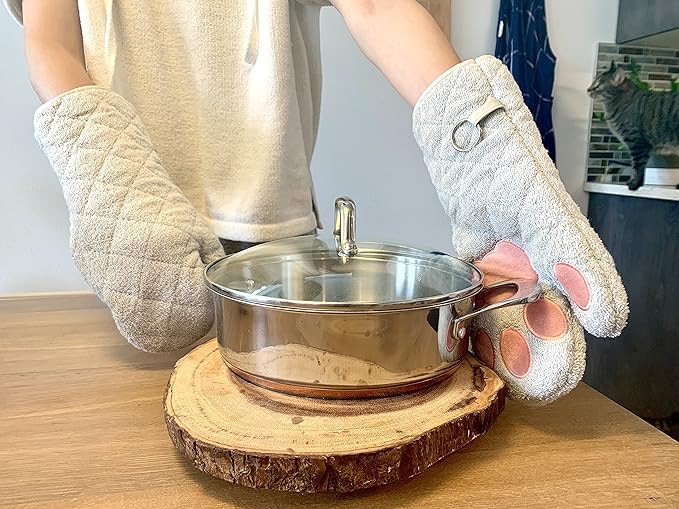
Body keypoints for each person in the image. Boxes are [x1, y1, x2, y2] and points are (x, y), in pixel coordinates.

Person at [7, 0, 628, 404]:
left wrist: (483, 148)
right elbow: (51, 45)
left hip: (281, 252)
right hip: (143, 248)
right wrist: (116, 192)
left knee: (304, 424)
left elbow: (377, 5)